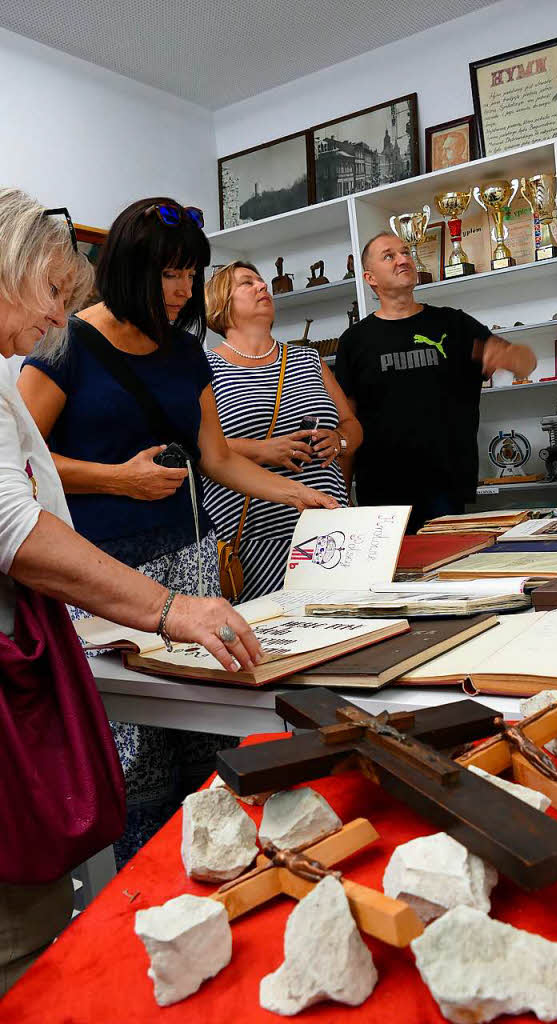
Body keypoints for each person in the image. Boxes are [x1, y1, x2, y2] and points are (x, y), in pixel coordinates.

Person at [18, 197, 338, 862]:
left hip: (191, 564)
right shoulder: (64, 342)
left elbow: (215, 457)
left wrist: (300, 496)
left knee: (209, 742)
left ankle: (217, 867)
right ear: (129, 269)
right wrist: (117, 479)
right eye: (169, 274)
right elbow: (23, 469)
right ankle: (141, 883)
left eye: (191, 274)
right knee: (134, 759)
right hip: (103, 577)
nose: (182, 290)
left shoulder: (186, 352)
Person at [0, 188, 264, 994]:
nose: (55, 318)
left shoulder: (171, 355)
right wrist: (168, 608)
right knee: (100, 800)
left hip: (125, 578)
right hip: (92, 589)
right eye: (50, 294)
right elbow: (14, 522)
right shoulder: (59, 355)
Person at [334, 232, 537, 532]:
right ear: (370, 278)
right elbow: (346, 421)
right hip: (381, 491)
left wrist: (509, 355)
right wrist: (342, 496)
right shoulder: (354, 341)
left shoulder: (453, 324)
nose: (403, 259)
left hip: (446, 487)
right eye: (389, 256)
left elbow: (526, 363)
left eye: (405, 252)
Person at [204, 261, 362, 597]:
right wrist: (262, 450)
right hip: (250, 537)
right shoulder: (204, 369)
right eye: (247, 283)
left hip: (327, 528)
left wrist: (339, 440)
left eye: (262, 281)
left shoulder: (308, 359)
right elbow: (194, 446)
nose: (263, 287)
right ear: (220, 304)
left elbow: (352, 425)